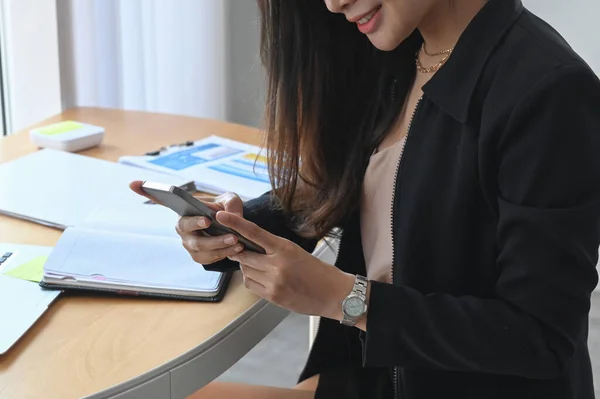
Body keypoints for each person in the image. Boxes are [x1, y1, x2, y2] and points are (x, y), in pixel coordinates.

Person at [131, 0, 600, 397]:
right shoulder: (401, 55)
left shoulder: (547, 91)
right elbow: (366, 186)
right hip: (366, 375)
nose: (333, 3)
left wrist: (344, 298)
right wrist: (234, 228)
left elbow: (540, 338)